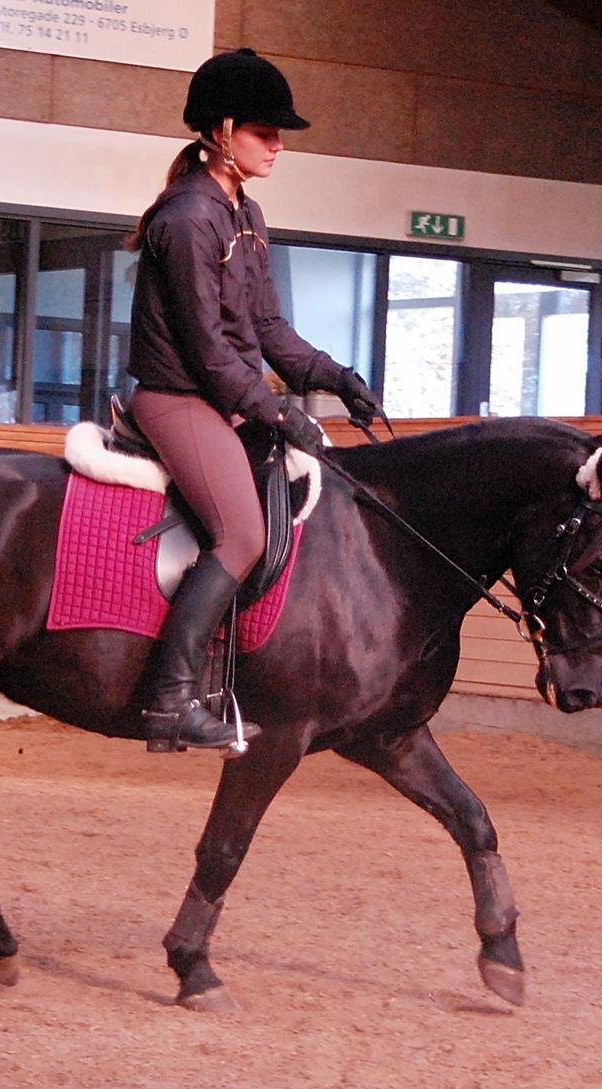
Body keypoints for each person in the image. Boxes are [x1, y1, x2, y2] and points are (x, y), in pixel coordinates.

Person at [126, 47, 382, 753]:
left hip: (224, 398)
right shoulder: (185, 219)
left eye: (279, 136)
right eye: (266, 133)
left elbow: (266, 328)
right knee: (243, 534)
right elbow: (207, 348)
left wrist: (334, 376)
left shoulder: (247, 212)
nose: (277, 147)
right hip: (177, 398)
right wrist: (276, 410)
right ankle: (171, 698)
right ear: (224, 128)